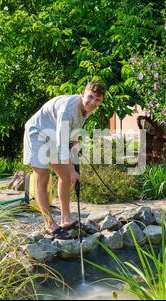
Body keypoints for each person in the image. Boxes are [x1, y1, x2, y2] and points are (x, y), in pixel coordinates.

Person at [23, 81, 106, 239]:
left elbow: (73, 137)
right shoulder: (68, 109)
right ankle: (49, 224)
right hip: (37, 133)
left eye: (97, 100)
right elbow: (62, 145)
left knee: (66, 177)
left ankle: (66, 219)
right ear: (82, 94)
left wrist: (74, 164)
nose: (92, 102)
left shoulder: (87, 109)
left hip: (53, 136)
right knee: (43, 176)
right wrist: (72, 169)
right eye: (90, 97)